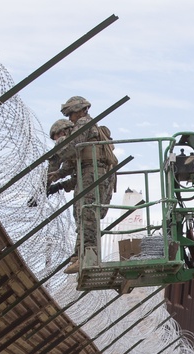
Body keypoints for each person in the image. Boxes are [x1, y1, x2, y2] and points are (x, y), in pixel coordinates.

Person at [50, 96, 117, 274]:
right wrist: (56, 177)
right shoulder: (83, 124)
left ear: (79, 110)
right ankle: (80, 255)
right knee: (81, 213)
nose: (71, 118)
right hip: (88, 172)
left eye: (71, 114)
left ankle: (88, 257)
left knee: (87, 213)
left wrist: (56, 157)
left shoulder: (83, 123)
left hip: (93, 172)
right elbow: (71, 165)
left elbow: (72, 147)